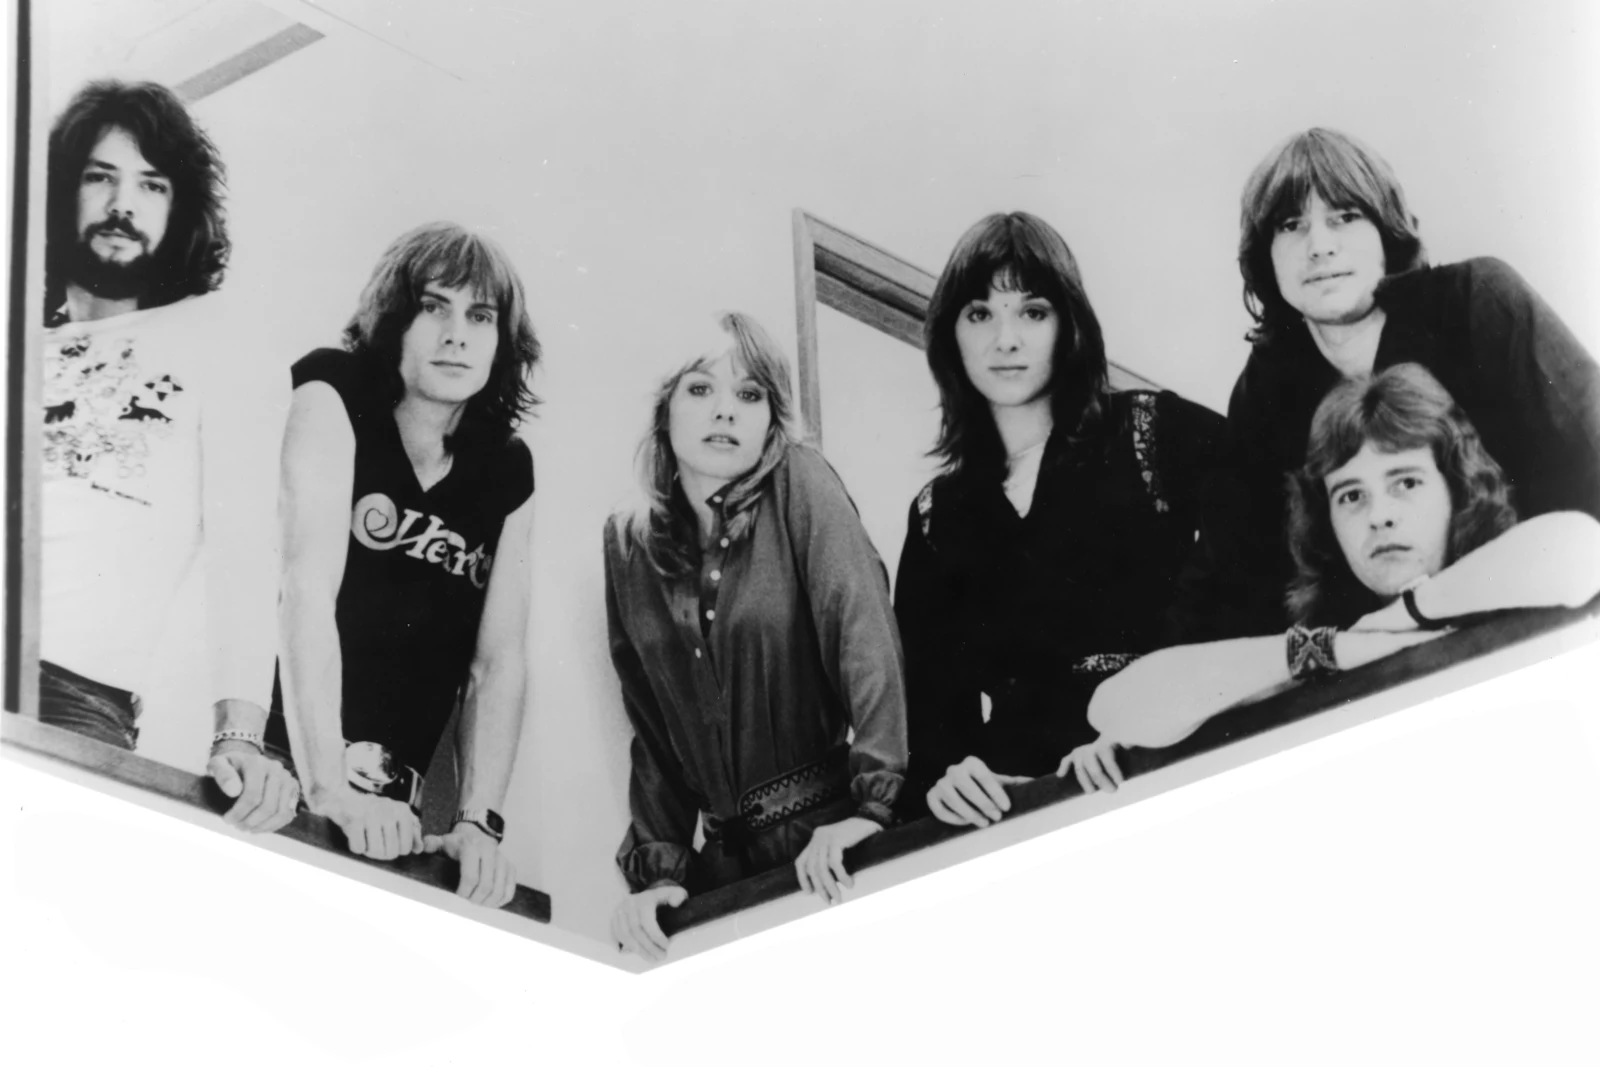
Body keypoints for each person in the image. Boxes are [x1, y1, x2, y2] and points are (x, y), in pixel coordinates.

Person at [1064, 363, 1600, 791]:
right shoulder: (1333, 641)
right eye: (1351, 495)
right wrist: (1341, 648)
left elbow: (1583, 545)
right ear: (1328, 522)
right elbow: (1114, 706)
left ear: (1456, 488)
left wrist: (1405, 616)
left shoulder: (1519, 584)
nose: (1379, 515)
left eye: (1406, 482)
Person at [1168, 127, 1600, 644]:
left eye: (1345, 216)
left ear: (1386, 233)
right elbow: (1228, 578)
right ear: (1267, 256)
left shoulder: (1477, 302)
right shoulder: (1267, 389)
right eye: (1291, 225)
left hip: (1554, 618)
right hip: (1383, 655)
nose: (1319, 246)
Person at [893, 212, 1226, 831]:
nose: (1006, 339)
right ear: (949, 335)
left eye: (1033, 311)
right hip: (1024, 817)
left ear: (1068, 325)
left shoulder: (1150, 431)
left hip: (1166, 776)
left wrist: (1148, 716)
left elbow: (1267, 543)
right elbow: (936, 729)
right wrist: (954, 781)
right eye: (980, 314)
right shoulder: (938, 514)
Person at [605, 312, 908, 961]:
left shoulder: (801, 480)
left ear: (772, 418)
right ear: (664, 406)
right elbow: (651, 724)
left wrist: (872, 811)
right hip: (720, 880)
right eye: (700, 388)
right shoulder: (628, 543)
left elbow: (866, 639)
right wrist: (660, 872)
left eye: (749, 394)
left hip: (830, 851)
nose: (725, 411)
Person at [38, 80, 295, 833]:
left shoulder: (216, 338)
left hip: (71, 695)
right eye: (100, 176)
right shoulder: (19, 337)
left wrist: (239, 733)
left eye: (151, 184)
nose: (124, 203)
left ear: (179, 208)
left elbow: (245, 551)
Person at [268, 222, 539, 907]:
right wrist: (329, 786)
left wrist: (477, 823)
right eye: (433, 307)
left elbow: (498, 663)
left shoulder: (507, 469)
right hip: (284, 778)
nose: (457, 335)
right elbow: (304, 592)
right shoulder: (331, 389)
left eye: (480, 316)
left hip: (399, 819)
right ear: (395, 317)